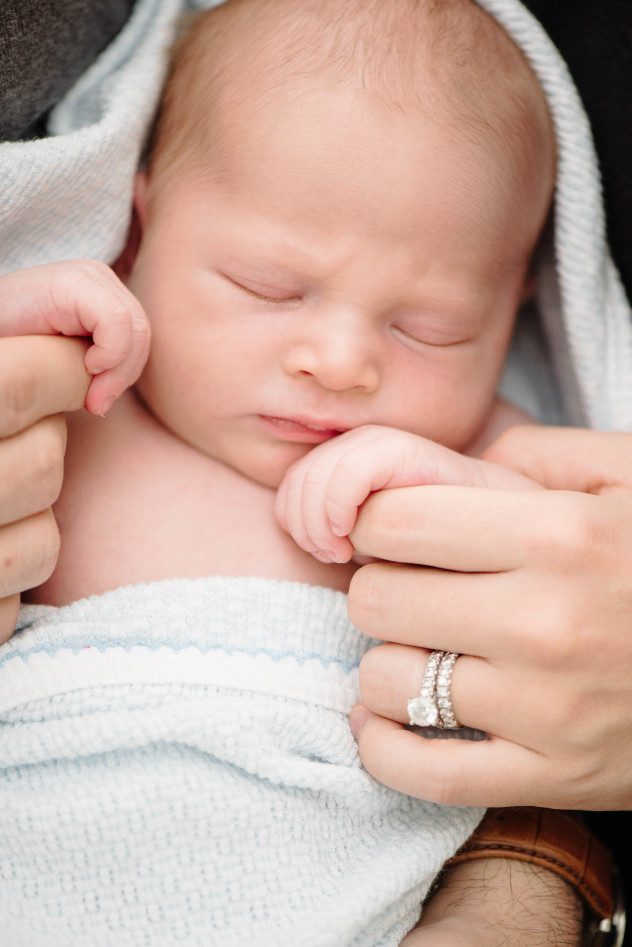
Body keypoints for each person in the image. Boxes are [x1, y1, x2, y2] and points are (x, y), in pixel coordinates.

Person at [0, 0, 629, 943]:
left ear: (518, 312)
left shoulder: (491, 453)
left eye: (432, 328)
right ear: (137, 233)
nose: (339, 361)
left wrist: (443, 481)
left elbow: (570, 575)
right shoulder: (84, 410)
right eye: (267, 286)